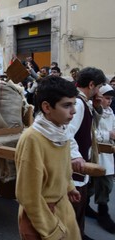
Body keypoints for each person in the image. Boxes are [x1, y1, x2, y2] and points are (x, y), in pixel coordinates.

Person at [15, 76, 82, 240]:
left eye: (74, 104)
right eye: (67, 105)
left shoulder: (61, 131)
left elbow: (64, 167)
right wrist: (51, 230)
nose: (73, 111)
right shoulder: (33, 140)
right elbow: (28, 196)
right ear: (46, 107)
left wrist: (69, 186)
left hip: (63, 207)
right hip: (43, 216)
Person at [68, 67, 106, 240]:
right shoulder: (77, 103)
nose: (99, 91)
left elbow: (91, 130)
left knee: (80, 206)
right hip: (75, 170)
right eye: (99, 87)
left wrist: (97, 107)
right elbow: (67, 133)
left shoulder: (85, 103)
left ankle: (79, 234)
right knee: (74, 207)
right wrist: (76, 156)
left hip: (80, 168)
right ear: (91, 85)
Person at [93, 84, 115, 233]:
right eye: (106, 98)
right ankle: (87, 208)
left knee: (106, 184)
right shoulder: (93, 110)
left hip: (107, 153)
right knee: (90, 186)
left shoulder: (111, 113)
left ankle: (103, 211)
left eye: (111, 99)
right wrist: (109, 135)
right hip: (95, 152)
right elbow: (92, 132)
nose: (109, 102)